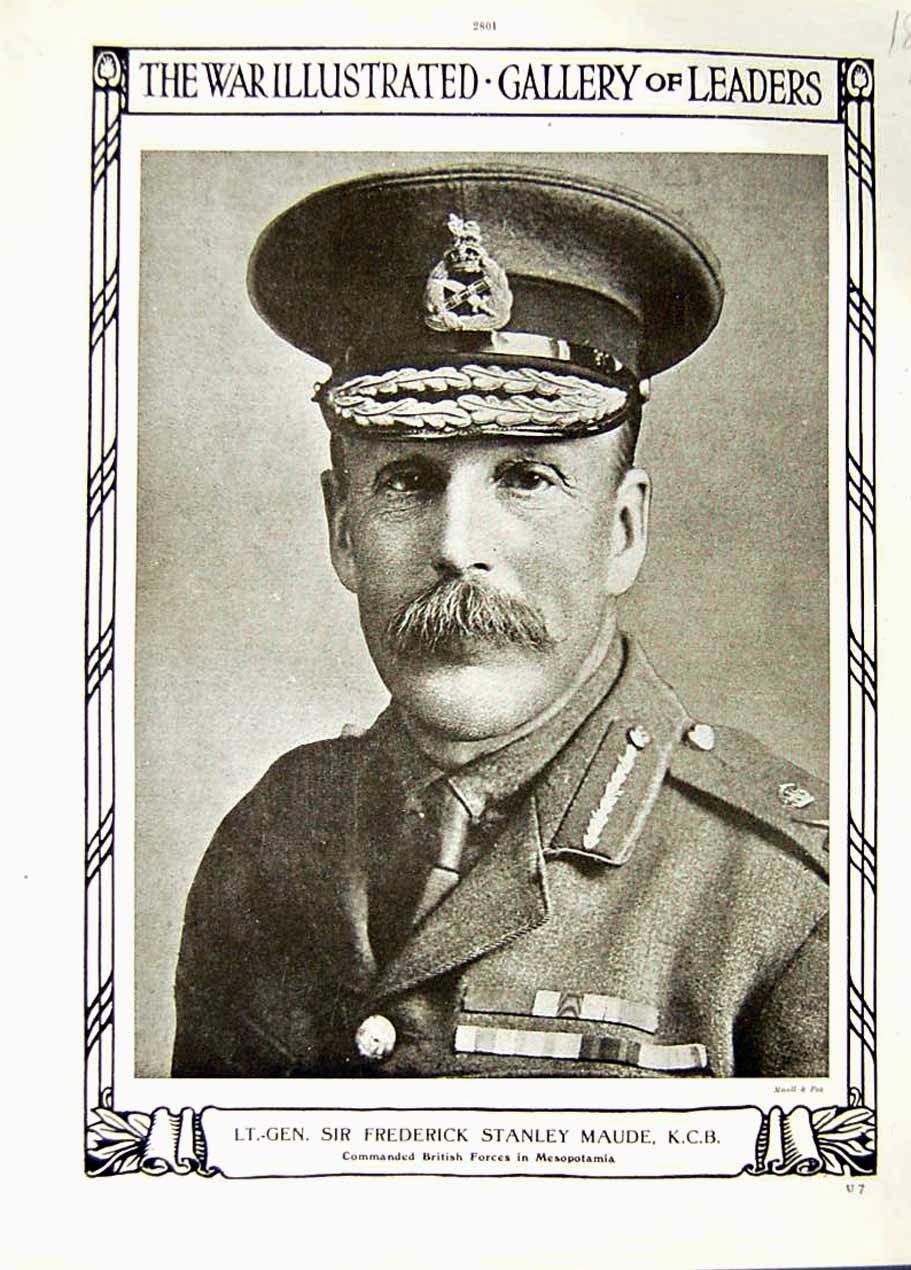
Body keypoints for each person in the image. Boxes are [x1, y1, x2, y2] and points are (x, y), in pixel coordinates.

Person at [172, 166, 828, 1079]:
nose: (458, 546)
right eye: (407, 480)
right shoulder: (269, 842)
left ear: (623, 532)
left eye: (526, 478)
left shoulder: (791, 895)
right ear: (343, 532)